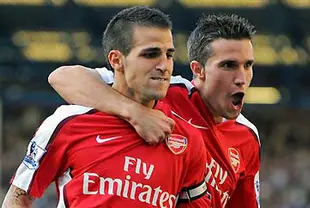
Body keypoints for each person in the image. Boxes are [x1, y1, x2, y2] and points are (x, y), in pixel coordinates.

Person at [2, 6, 209, 208]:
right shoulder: (68, 123)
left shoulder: (187, 138)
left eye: (169, 55)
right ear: (116, 60)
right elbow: (18, 198)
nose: (164, 65)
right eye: (150, 54)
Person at [49, 14, 260, 208]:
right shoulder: (164, 90)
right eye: (229, 65)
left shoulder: (248, 138)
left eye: (248, 65)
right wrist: (135, 112)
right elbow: (63, 77)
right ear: (198, 70)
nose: (241, 78)